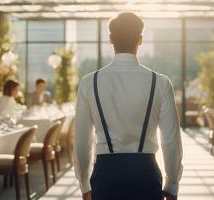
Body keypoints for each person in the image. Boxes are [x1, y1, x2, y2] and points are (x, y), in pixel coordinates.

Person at [74, 12, 183, 200]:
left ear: (110, 39)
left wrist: (84, 183)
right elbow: (170, 139)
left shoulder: (89, 82)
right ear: (140, 40)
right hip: (146, 174)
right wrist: (172, 183)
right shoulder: (160, 83)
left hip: (105, 176)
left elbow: (82, 140)